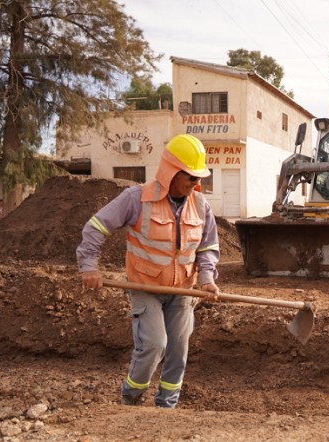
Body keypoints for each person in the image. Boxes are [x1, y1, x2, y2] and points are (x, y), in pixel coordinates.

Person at [77, 134, 221, 408]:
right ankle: (131, 399)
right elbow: (96, 227)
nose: (196, 183)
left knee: (178, 350)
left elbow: (208, 248)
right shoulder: (136, 199)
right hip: (145, 288)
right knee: (155, 344)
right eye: (191, 176)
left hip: (181, 291)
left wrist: (206, 279)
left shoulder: (201, 206)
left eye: (198, 177)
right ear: (171, 173)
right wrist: (89, 267)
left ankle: (166, 407)